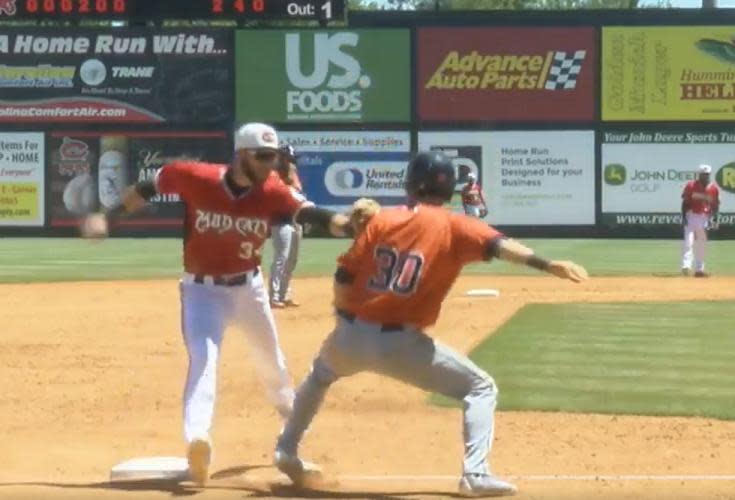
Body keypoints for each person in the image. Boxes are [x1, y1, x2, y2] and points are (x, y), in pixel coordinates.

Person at [272, 151, 588, 497]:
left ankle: (286, 449)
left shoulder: (382, 221)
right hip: (402, 346)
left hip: (350, 334)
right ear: (449, 189)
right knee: (480, 388)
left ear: (410, 183)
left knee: (320, 375)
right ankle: (475, 475)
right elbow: (501, 246)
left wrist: (345, 315)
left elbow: (344, 277)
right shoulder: (456, 225)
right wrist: (547, 264)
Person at [80, 123, 352, 486]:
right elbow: (148, 188)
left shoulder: (272, 190)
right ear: (242, 155)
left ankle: (291, 439)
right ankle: (198, 440)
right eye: (264, 157)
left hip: (249, 289)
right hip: (201, 292)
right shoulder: (196, 177)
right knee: (204, 360)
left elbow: (310, 214)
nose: (272, 164)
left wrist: (345, 223)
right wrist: (107, 216)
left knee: (272, 363)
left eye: (275, 157)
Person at [269, 143, 304, 308]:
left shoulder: (293, 172)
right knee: (281, 258)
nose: (293, 162)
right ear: (282, 159)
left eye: (293, 159)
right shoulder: (273, 176)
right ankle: (274, 297)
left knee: (292, 260)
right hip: (280, 222)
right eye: (290, 159)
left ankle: (284, 294)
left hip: (295, 221)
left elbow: (298, 193)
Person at [681, 164, 720, 277]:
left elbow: (715, 205)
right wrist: (683, 217)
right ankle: (686, 266)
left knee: (701, 245)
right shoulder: (691, 185)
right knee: (688, 243)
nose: (706, 176)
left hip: (704, 217)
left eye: (708, 174)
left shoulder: (713, 188)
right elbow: (685, 202)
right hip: (691, 215)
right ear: (699, 175)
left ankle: (699, 270)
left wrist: (715, 218)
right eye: (704, 174)